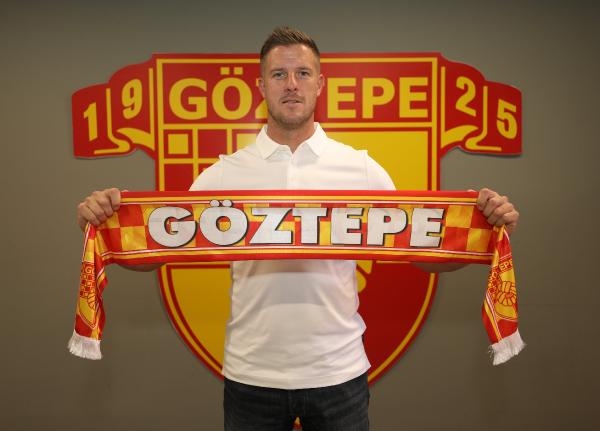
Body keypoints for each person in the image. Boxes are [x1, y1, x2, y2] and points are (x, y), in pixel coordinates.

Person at [76, 26, 519, 431]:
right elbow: (157, 252)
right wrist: (105, 223)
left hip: (340, 373)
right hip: (251, 375)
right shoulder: (224, 174)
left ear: (320, 84)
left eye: (303, 73)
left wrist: (483, 228)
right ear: (261, 86)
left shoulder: (361, 169)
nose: (291, 84)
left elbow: (423, 255)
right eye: (279, 74)